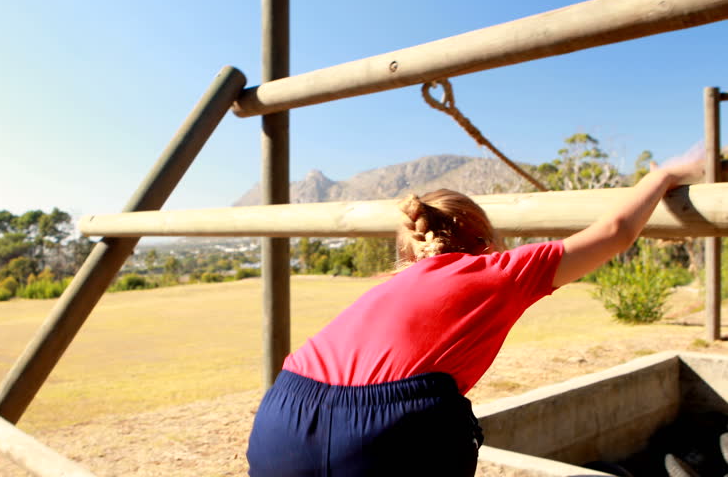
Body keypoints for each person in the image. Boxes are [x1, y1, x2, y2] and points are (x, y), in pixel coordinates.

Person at [245, 156, 705, 477]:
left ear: (410, 254)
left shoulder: (391, 285)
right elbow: (616, 231)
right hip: (386, 432)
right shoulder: (498, 269)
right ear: (487, 241)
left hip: (282, 414)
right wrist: (662, 176)